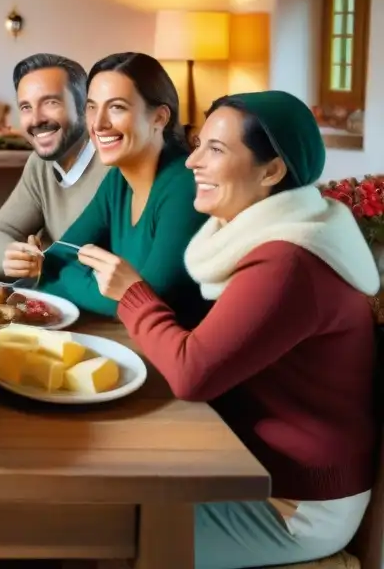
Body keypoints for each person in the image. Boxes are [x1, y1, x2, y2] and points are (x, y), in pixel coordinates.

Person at [79, 90, 379, 569]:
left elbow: (192, 373)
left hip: (295, 506)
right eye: (197, 143)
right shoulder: (274, 237)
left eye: (215, 150)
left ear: (272, 172)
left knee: (92, 530)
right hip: (255, 469)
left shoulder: (289, 263)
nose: (193, 160)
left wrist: (133, 294)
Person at [33, 52, 209, 326]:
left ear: (160, 117)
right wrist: (60, 269)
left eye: (116, 107)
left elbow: (144, 300)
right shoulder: (118, 180)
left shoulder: (185, 188)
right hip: (125, 339)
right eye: (91, 107)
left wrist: (66, 273)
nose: (98, 123)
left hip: (171, 358)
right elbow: (57, 257)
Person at [0, 53, 108, 279]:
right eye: (26, 107)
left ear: (85, 106)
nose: (36, 120)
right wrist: (10, 256)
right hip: (52, 299)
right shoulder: (39, 165)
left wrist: (45, 267)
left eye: (50, 103)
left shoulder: (114, 164)